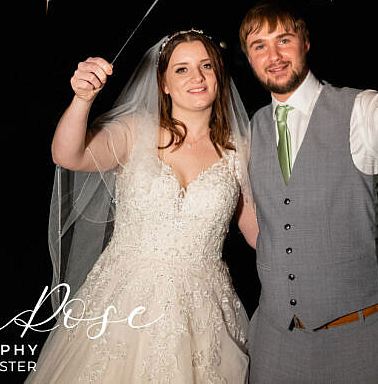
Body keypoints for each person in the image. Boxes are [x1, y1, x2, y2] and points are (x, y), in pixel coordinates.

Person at [239, 2, 378, 383]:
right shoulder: (252, 129)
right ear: (248, 57)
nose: (273, 56)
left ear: (305, 42)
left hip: (362, 342)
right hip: (275, 348)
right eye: (259, 46)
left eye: (283, 40)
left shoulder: (360, 111)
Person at [28, 31, 258, 383]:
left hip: (204, 311)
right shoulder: (134, 131)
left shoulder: (241, 151)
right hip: (123, 301)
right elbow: (67, 155)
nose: (196, 77)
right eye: (181, 69)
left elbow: (261, 236)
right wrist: (82, 99)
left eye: (205, 66)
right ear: (163, 83)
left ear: (219, 75)